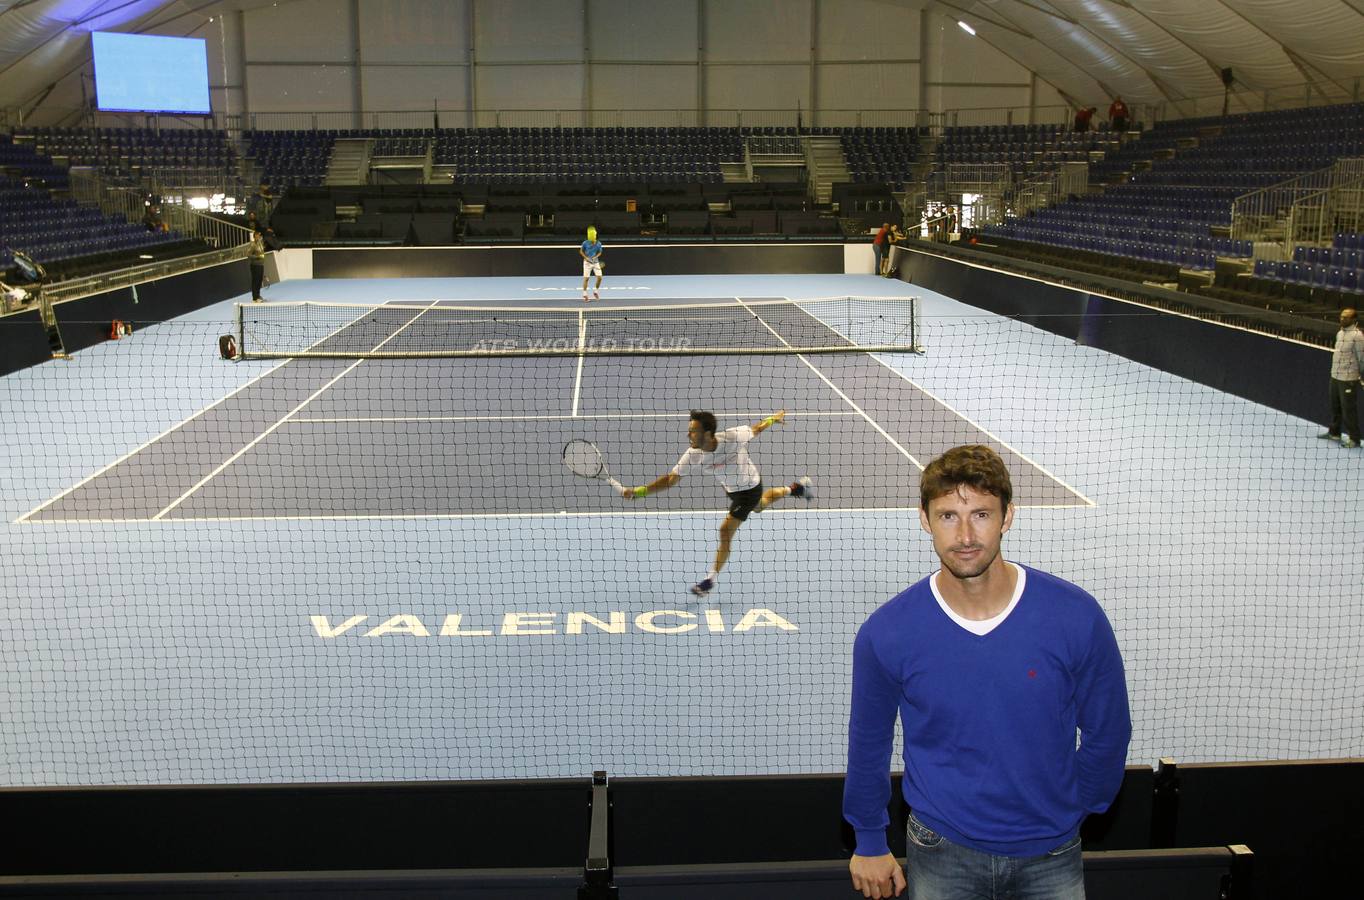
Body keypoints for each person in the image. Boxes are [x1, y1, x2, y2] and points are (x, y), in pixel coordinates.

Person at [845, 444, 1130, 900]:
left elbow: (1109, 730)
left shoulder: (1075, 616)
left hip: (1052, 854)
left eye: (980, 514)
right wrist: (869, 839)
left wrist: (1076, 807)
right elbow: (868, 742)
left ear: (1008, 516)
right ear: (924, 519)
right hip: (941, 851)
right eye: (947, 516)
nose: (964, 536)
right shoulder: (887, 633)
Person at [623, 410, 812, 597]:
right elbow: (671, 479)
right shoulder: (693, 455)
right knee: (760, 506)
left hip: (749, 487)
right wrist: (641, 491)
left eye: (693, 430)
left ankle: (709, 580)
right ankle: (795, 489)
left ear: (707, 433)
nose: (688, 434)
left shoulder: (732, 437)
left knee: (725, 530)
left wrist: (771, 420)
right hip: (732, 490)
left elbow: (755, 429)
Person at [1318, 307, 1364, 448]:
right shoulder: (1339, 333)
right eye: (1341, 316)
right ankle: (1334, 433)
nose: (1342, 319)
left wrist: (1360, 376)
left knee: (1348, 409)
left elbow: (1362, 358)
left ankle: (1354, 439)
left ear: (1354, 320)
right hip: (1335, 376)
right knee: (1335, 407)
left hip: (1348, 379)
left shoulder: (1357, 336)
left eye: (1346, 317)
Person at [581, 226, 604, 302]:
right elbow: (581, 251)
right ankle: (585, 294)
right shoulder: (585, 243)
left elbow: (600, 252)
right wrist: (586, 257)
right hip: (587, 263)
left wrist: (595, 257)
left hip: (595, 262)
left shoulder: (598, 243)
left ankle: (595, 292)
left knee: (600, 277)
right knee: (586, 279)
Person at [248, 224, 270, 303]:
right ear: (255, 236)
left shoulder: (260, 244)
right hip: (255, 266)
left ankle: (258, 295)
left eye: (259, 235)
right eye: (257, 235)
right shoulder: (253, 245)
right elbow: (249, 255)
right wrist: (257, 257)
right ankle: (254, 298)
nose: (259, 237)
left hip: (261, 265)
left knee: (259, 280)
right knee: (255, 281)